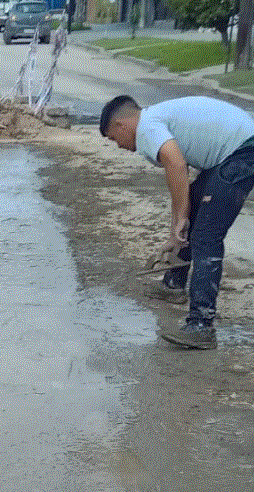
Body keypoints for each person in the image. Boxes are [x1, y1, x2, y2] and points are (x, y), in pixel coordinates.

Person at [100, 95, 254, 349]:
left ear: (120, 125)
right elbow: (177, 179)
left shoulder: (147, 126)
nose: (118, 146)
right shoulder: (153, 119)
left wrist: (180, 218)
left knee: (206, 236)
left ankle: (201, 326)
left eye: (114, 139)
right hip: (233, 151)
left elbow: (176, 163)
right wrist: (179, 222)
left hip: (242, 151)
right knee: (193, 210)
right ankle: (174, 285)